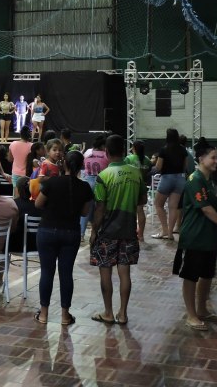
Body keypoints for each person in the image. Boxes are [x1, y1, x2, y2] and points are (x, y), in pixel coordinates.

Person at [89, 134, 147, 326]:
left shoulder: (103, 176)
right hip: (129, 230)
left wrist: (94, 231)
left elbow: (100, 208)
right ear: (124, 151)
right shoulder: (136, 173)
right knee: (125, 273)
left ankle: (108, 312)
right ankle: (123, 314)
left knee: (105, 272)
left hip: (107, 232)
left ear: (106, 152)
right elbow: (142, 201)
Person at [34, 151, 93, 325]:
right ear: (81, 166)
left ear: (64, 164)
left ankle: (43, 314)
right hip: (70, 232)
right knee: (66, 274)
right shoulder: (84, 187)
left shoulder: (51, 182)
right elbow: (84, 212)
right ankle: (65, 315)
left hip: (47, 231)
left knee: (47, 272)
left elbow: (38, 203)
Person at [173, 139, 217, 330]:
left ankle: (202, 310)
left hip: (209, 237)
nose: (216, 161)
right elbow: (206, 209)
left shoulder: (211, 181)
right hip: (194, 237)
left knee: (207, 275)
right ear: (201, 159)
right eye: (213, 158)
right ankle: (191, 315)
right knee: (191, 275)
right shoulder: (195, 180)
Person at [152, 128, 190, 240]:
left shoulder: (164, 149)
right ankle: (170, 233)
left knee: (158, 205)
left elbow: (158, 167)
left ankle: (164, 230)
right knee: (173, 207)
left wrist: (152, 167)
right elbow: (185, 167)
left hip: (167, 178)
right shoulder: (183, 150)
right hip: (180, 179)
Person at [80, 135, 109, 242]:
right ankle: (97, 232)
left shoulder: (87, 152)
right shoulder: (106, 154)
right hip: (100, 182)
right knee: (100, 209)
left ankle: (81, 234)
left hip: (87, 182)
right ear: (103, 145)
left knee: (86, 210)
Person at [125, 140, 152, 241]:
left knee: (130, 211)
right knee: (140, 210)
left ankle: (131, 233)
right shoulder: (147, 160)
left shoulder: (128, 159)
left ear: (133, 148)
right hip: (143, 187)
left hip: (130, 187)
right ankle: (141, 235)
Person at [9, 125, 32, 194]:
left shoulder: (12, 144)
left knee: (16, 196)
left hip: (15, 173)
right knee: (27, 195)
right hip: (28, 174)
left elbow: (10, 159)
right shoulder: (32, 146)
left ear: (20, 134)